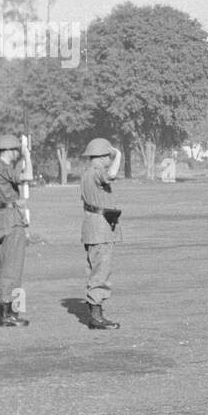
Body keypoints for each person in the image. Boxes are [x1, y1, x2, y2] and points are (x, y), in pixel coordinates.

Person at [80, 138, 124, 329]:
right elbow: (112, 174)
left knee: (96, 270)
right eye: (108, 156)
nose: (110, 159)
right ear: (101, 157)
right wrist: (119, 155)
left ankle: (96, 314)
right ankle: (96, 318)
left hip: (95, 226)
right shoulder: (96, 172)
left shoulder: (88, 174)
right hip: (99, 228)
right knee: (101, 271)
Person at [0, 134, 30, 327]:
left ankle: (4, 310)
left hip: (1, 218)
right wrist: (27, 156)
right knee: (12, 268)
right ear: (9, 151)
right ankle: (8, 314)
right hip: (11, 219)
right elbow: (27, 176)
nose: (17, 154)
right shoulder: (3, 169)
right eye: (16, 151)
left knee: (4, 266)